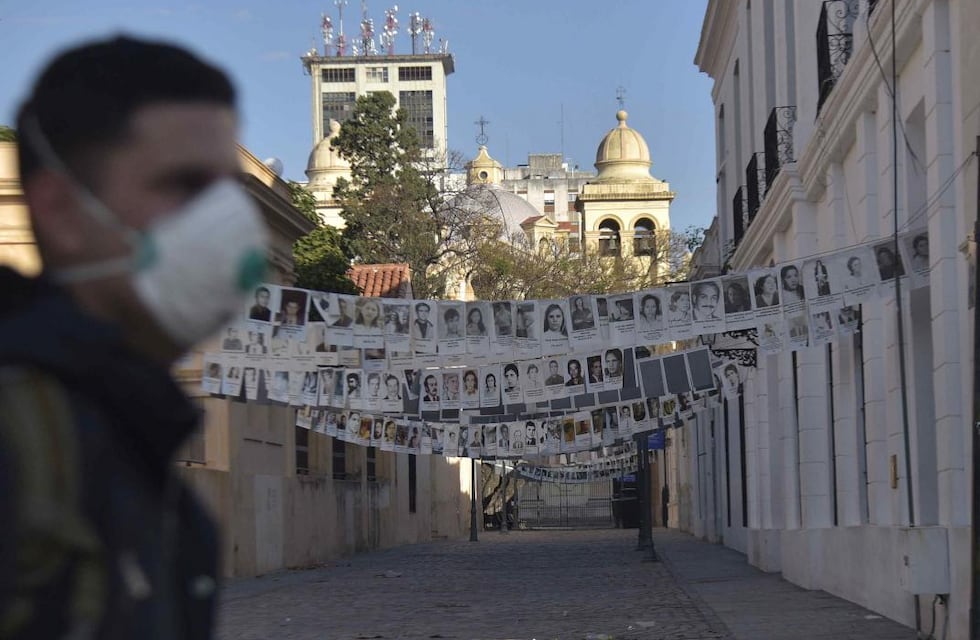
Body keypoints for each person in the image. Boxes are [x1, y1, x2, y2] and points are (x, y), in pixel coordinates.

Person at [0, 36, 270, 639]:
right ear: (62, 211)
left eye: (228, 190)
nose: (228, 222)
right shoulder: (22, 438)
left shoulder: (131, 433)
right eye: (184, 184)